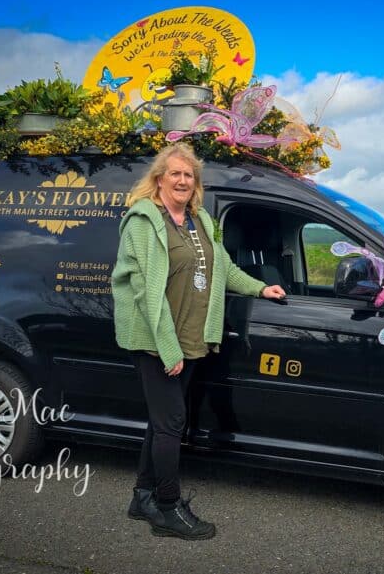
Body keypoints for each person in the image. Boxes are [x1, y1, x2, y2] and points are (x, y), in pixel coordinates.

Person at [111, 144, 285, 540]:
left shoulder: (199, 220)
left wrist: (261, 289)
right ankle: (168, 509)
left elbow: (223, 269)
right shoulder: (143, 222)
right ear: (159, 178)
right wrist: (168, 348)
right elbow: (145, 293)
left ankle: (142, 496)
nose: (183, 181)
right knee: (172, 423)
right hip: (156, 339)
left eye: (189, 176)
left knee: (161, 423)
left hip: (190, 337)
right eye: (176, 174)